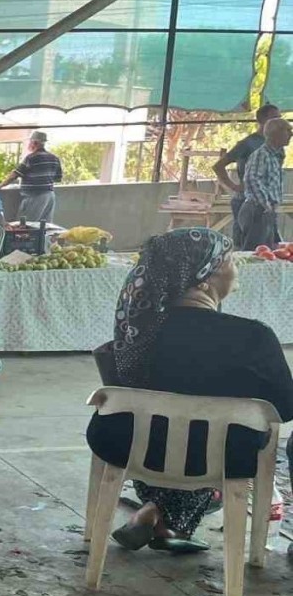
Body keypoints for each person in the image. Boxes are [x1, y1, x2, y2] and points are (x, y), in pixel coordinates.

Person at [87, 228, 293, 553]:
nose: (236, 267)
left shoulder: (138, 335)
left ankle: (156, 513)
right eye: (228, 260)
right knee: (216, 442)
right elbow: (286, 406)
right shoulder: (253, 338)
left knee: (178, 439)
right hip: (223, 458)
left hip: (133, 449)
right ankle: (163, 519)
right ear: (203, 278)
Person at [214, 103, 280, 228]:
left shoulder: (276, 143)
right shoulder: (248, 143)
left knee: (269, 242)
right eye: (274, 118)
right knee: (246, 242)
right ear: (262, 120)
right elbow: (218, 166)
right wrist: (234, 187)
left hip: (267, 202)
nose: (278, 122)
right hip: (247, 201)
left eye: (280, 118)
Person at [235, 117, 291, 251]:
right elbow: (252, 179)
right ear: (276, 133)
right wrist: (265, 204)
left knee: (269, 252)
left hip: (266, 210)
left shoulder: (274, 156)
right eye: (288, 130)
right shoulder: (262, 154)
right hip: (257, 209)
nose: (291, 134)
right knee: (254, 255)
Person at [0, 130, 62, 224]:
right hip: (50, 196)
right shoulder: (54, 158)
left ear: (34, 143)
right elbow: (57, 178)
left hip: (35, 196)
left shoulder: (31, 158)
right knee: (45, 227)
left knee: (26, 226)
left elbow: (15, 175)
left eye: (30, 142)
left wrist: (0, 186)